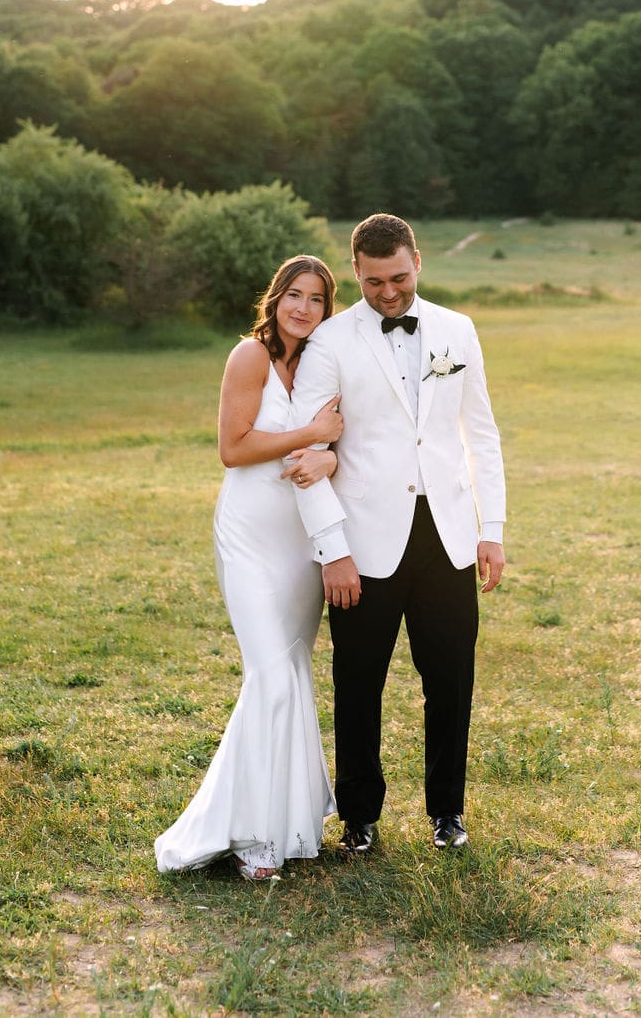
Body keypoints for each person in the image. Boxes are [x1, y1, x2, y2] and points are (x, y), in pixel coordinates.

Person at [287, 213, 506, 857]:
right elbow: (307, 454)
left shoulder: (458, 329)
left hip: (448, 535)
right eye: (374, 282)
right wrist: (333, 551)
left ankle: (447, 812)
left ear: (418, 262)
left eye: (399, 278)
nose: (388, 293)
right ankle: (358, 817)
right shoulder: (329, 341)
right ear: (356, 272)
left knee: (451, 681)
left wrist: (490, 529)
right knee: (358, 684)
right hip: (362, 543)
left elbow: (481, 433)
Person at [155, 254, 347, 881]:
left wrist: (328, 455)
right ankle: (250, 839)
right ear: (276, 297)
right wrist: (309, 434)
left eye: (316, 299)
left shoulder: (324, 364)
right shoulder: (250, 356)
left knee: (290, 675)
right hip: (249, 534)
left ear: (327, 310)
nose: (303, 308)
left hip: (300, 540)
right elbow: (232, 449)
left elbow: (341, 446)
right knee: (271, 676)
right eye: (294, 295)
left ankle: (288, 825)